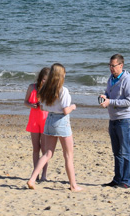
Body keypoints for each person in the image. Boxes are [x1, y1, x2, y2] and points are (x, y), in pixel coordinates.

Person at [27, 63, 83, 191]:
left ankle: (32, 178)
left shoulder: (46, 90)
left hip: (49, 120)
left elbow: (43, 106)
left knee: (47, 153)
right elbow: (65, 110)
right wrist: (73, 106)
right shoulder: (63, 90)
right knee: (68, 155)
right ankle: (73, 185)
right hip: (61, 122)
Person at [98, 53, 130, 188]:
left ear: (121, 65)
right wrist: (105, 96)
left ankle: (127, 180)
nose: (111, 68)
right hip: (113, 118)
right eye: (110, 65)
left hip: (124, 119)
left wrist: (110, 101)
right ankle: (117, 178)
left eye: (113, 66)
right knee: (116, 151)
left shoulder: (127, 80)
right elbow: (110, 94)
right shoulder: (111, 78)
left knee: (126, 151)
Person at [24, 66, 50, 181]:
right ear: (40, 78)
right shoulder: (32, 87)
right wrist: (31, 105)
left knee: (45, 149)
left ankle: (44, 175)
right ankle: (36, 173)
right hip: (34, 120)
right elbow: (25, 101)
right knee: (36, 148)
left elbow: (54, 105)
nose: (45, 82)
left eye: (47, 80)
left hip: (45, 120)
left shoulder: (50, 89)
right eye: (44, 79)